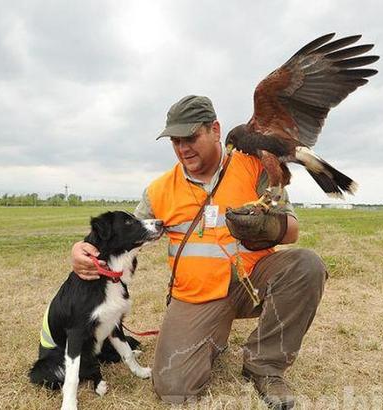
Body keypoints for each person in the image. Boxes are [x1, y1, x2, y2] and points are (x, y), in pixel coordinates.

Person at [71, 95, 327, 409]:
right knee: (173, 389)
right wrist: (80, 249)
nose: (183, 148)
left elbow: (292, 230)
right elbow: (120, 233)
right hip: (197, 295)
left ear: (216, 130)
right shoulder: (160, 189)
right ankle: (211, 336)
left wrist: (267, 227)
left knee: (306, 265)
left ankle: (265, 365)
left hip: (251, 282)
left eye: (190, 137)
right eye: (175, 141)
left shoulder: (253, 165)